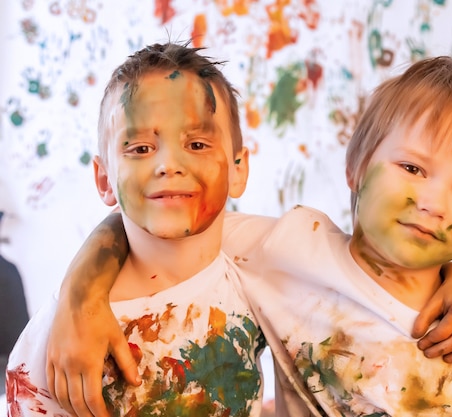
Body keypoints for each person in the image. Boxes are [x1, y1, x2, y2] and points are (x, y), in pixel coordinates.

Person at [35, 45, 452, 417]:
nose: (432, 204)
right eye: (412, 168)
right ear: (356, 167)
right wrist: (81, 298)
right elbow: (137, 223)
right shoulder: (284, 251)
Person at [6, 42, 264, 417]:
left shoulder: (260, 266)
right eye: (141, 148)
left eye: (196, 143)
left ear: (239, 168)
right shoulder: (58, 342)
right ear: (105, 179)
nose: (168, 165)